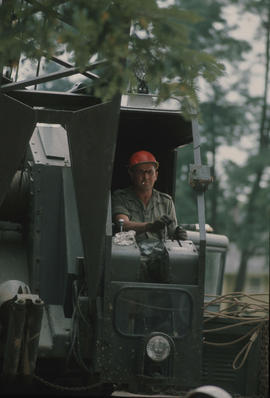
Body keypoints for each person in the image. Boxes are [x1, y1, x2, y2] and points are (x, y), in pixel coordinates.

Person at [111, 150, 187, 242]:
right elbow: (123, 225)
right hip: (130, 253)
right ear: (131, 174)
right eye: (140, 172)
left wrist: (178, 234)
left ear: (156, 175)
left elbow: (172, 233)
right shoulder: (120, 197)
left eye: (150, 172)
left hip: (160, 254)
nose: (146, 177)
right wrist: (150, 226)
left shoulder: (166, 201)